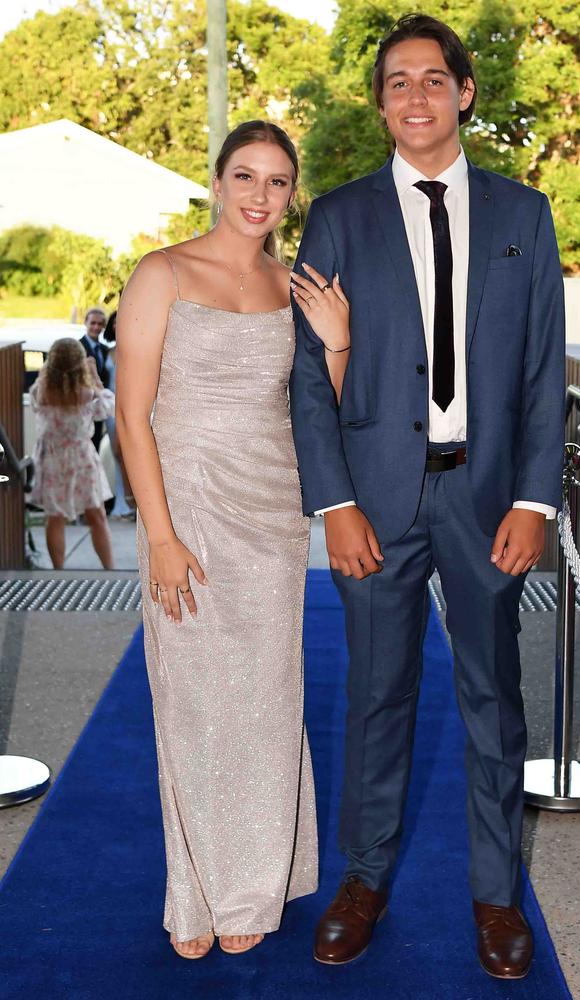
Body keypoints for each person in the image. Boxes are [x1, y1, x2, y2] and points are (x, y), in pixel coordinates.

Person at [290, 13, 565, 980]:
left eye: (433, 79)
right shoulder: (339, 214)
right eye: (397, 81)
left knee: (494, 698)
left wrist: (535, 499)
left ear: (464, 93)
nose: (416, 95)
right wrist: (334, 505)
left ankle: (496, 896)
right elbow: (306, 376)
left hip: (487, 499)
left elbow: (539, 370)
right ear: (380, 103)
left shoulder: (525, 214)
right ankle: (362, 881)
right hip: (374, 498)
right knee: (375, 696)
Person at [115, 121, 349, 961]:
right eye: (245, 177)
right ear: (216, 182)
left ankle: (252, 883)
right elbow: (130, 417)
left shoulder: (294, 287)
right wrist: (163, 534)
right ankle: (198, 890)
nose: (259, 195)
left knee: (265, 701)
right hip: (189, 510)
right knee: (191, 703)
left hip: (272, 515)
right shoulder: (163, 273)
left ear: (292, 194)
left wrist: (340, 342)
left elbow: (317, 410)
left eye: (277, 182)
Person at [29, 337, 115, 570]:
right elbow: (107, 408)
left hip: (52, 459)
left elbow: (36, 398)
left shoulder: (41, 391)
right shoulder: (86, 393)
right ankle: (109, 569)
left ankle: (59, 571)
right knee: (96, 515)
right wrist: (95, 377)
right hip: (81, 457)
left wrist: (46, 371)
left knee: (54, 518)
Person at [102, 309, 135, 518]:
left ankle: (131, 503)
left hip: (127, 406)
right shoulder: (106, 352)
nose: (117, 325)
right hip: (108, 408)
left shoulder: (134, 348)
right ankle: (121, 504)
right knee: (116, 456)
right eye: (114, 322)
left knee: (126, 454)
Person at [80, 307, 110, 452]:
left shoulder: (105, 350)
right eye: (92, 323)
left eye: (100, 324)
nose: (96, 327)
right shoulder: (77, 347)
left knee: (96, 447)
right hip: (83, 408)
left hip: (99, 407)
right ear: (85, 323)